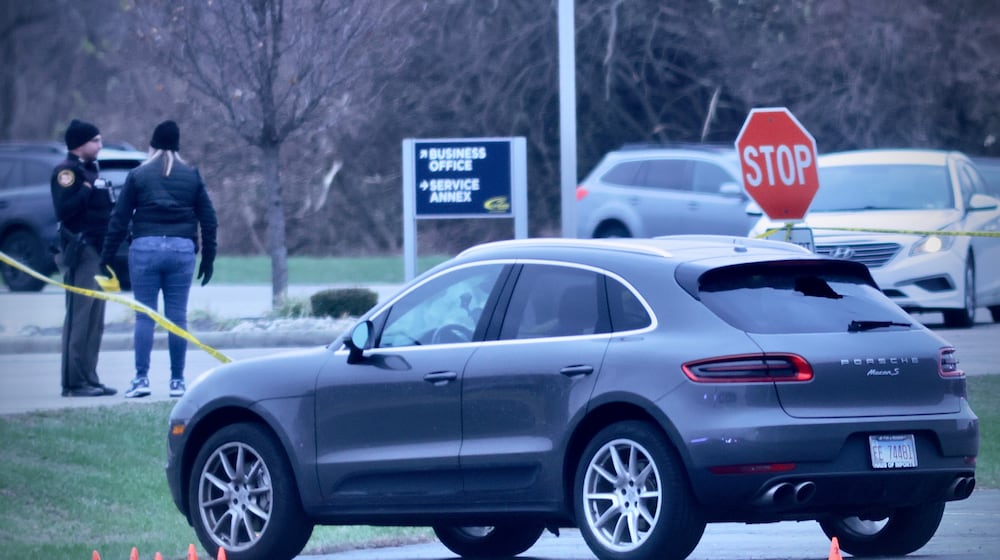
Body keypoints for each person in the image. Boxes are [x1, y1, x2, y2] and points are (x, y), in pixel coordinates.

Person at [100, 120, 217, 399]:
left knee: (145, 316)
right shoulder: (192, 175)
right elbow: (209, 219)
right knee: (177, 316)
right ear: (178, 145)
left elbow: (119, 219)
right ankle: (177, 381)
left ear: (151, 144)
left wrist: (106, 257)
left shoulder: (139, 175)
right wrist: (209, 257)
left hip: (145, 248)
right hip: (181, 249)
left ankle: (141, 379)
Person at [50, 118, 117, 397]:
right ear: (81, 144)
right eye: (96, 140)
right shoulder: (66, 172)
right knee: (79, 316)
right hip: (82, 250)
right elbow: (64, 210)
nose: (100, 145)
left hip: (99, 251)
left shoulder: (91, 170)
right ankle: (74, 382)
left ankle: (90, 377)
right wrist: (88, 189)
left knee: (95, 319)